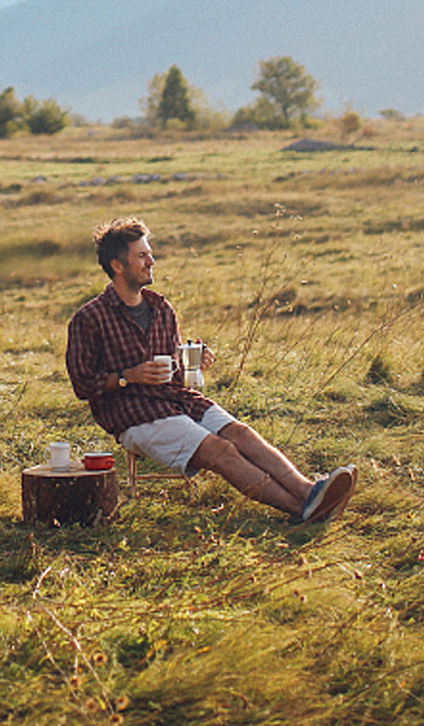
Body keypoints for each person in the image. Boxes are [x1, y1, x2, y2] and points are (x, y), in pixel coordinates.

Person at [65, 216, 355, 522]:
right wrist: (127, 377)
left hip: (178, 399)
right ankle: (304, 511)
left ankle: (310, 491)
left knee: (240, 434)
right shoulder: (90, 318)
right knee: (221, 451)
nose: (151, 261)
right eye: (141, 256)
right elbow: (82, 385)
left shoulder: (161, 309)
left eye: (149, 253)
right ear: (117, 266)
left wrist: (193, 362)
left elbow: (173, 369)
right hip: (134, 413)